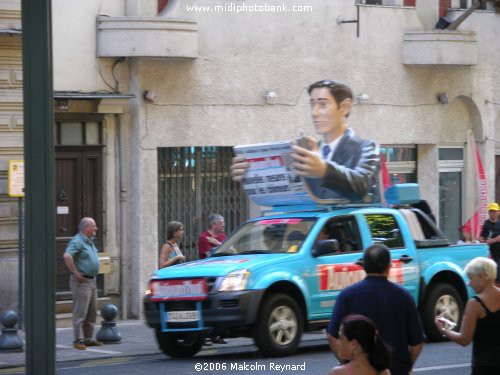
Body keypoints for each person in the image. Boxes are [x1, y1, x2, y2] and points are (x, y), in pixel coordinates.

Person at [231, 79, 380, 202]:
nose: (314, 113)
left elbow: (360, 186)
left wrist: (324, 170)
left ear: (345, 107)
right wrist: (251, 176)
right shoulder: (307, 153)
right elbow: (292, 197)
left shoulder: (366, 148)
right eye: (312, 104)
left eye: (323, 104)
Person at [326, 244, 425, 375]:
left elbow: (332, 336)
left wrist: (348, 365)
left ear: (363, 266)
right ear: (389, 267)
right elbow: (417, 342)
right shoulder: (404, 297)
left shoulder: (347, 296)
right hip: (397, 369)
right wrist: (406, 367)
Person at [435, 257, 500, 375]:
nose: (469, 283)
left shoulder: (475, 304)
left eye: (470, 278)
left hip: (485, 366)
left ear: (481, 276)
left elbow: (464, 339)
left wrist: (444, 329)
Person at [63, 217, 103, 350]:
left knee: (91, 312)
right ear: (86, 228)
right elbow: (67, 256)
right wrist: (75, 272)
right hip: (82, 282)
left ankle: (88, 339)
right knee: (80, 313)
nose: (96, 229)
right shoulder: (77, 241)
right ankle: (77, 340)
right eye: (94, 226)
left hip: (91, 280)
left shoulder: (89, 241)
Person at [479, 202, 500, 286]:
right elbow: (481, 240)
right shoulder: (487, 224)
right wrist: (494, 240)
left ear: (498, 212)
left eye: (494, 211)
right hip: (491, 254)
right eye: (491, 211)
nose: (492, 213)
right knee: (494, 276)